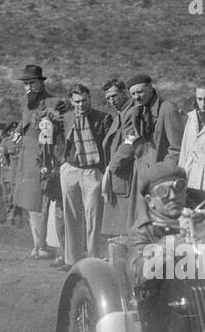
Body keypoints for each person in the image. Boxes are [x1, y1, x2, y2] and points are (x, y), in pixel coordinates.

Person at [108, 73, 183, 229]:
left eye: (140, 92)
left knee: (161, 222)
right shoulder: (136, 111)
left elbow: (176, 148)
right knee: (142, 222)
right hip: (140, 175)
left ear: (150, 88)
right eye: (133, 94)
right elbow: (130, 140)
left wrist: (163, 173)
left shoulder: (167, 109)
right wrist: (114, 163)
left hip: (161, 178)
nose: (137, 97)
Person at [12, 64, 66, 258]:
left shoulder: (55, 103)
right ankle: (37, 244)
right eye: (25, 84)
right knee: (30, 203)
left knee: (42, 201)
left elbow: (60, 131)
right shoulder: (25, 102)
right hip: (26, 158)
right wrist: (18, 131)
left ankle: (45, 246)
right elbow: (25, 120)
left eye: (31, 83)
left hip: (43, 159)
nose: (28, 88)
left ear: (41, 83)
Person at [59, 84, 109, 264]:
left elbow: (106, 146)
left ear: (90, 100)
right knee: (70, 215)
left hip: (91, 171)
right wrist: (62, 162)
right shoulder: (66, 117)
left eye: (84, 101)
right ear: (72, 102)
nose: (81, 105)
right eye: (77, 101)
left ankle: (92, 259)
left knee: (93, 216)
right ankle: (71, 260)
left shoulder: (102, 118)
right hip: (70, 169)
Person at [125, 164, 194, 289]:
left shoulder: (203, 213)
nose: (173, 196)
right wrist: (172, 243)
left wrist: (202, 227)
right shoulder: (143, 230)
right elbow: (137, 275)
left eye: (178, 187)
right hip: (167, 298)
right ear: (150, 201)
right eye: (162, 192)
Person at [99, 78, 134, 241]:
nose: (111, 101)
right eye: (108, 98)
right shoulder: (120, 114)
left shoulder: (131, 112)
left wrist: (111, 167)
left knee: (124, 224)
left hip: (125, 173)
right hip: (117, 174)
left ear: (124, 93)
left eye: (114, 96)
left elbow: (129, 143)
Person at [0, 121, 21, 225]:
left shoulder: (21, 141)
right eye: (11, 131)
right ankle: (10, 217)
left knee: (16, 196)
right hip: (9, 173)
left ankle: (16, 218)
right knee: (8, 196)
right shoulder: (5, 142)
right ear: (7, 132)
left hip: (18, 173)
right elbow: (5, 159)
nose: (13, 132)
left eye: (14, 130)